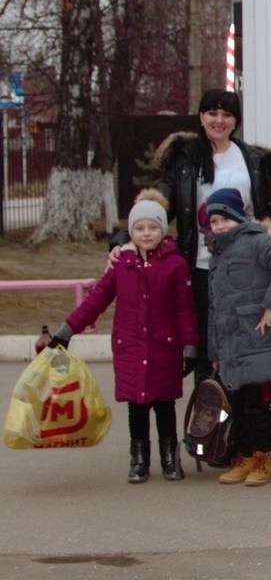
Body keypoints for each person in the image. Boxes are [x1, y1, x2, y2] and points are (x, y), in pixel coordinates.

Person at [48, 191, 197, 483]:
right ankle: (139, 459)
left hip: (163, 347)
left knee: (165, 404)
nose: (146, 233)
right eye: (139, 228)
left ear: (163, 230)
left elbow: (184, 309)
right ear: (131, 232)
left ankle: (170, 456)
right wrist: (67, 330)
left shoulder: (175, 265)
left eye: (152, 227)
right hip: (129, 346)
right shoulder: (122, 264)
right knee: (137, 406)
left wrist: (190, 345)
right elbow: (96, 300)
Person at [146, 89, 271, 384]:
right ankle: (207, 426)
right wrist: (125, 238)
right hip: (201, 269)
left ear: (235, 121)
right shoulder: (185, 159)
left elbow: (266, 213)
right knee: (207, 354)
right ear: (201, 117)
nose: (219, 120)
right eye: (212, 113)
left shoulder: (253, 160)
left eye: (226, 114)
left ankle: (247, 425)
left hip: (245, 269)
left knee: (245, 347)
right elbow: (160, 202)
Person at [204, 187, 271, 488]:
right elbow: (215, 306)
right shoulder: (217, 255)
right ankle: (244, 455)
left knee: (256, 403)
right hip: (231, 344)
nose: (219, 226)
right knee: (239, 403)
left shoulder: (256, 241)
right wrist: (215, 350)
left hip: (256, 338)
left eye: (224, 219)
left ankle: (263, 457)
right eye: (214, 221)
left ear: (238, 217)